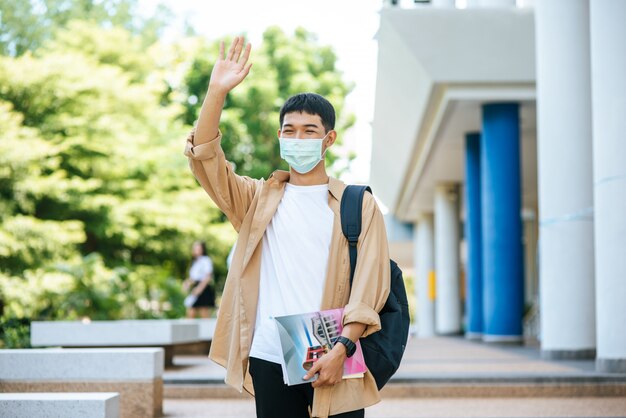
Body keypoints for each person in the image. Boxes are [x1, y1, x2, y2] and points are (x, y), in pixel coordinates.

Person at [183, 36, 390, 418]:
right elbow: (206, 159)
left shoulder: (357, 203)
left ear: (328, 139)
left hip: (334, 347)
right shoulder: (258, 199)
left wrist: (342, 348)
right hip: (270, 352)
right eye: (289, 130)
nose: (298, 138)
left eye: (309, 131)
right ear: (280, 136)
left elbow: (370, 286)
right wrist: (216, 92)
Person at [182, 241, 215, 318]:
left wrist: (199, 289)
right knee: (190, 311)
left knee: (204, 313)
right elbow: (193, 278)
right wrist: (187, 283)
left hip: (203, 288)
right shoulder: (195, 262)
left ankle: (208, 330)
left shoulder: (206, 260)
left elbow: (208, 277)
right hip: (196, 287)